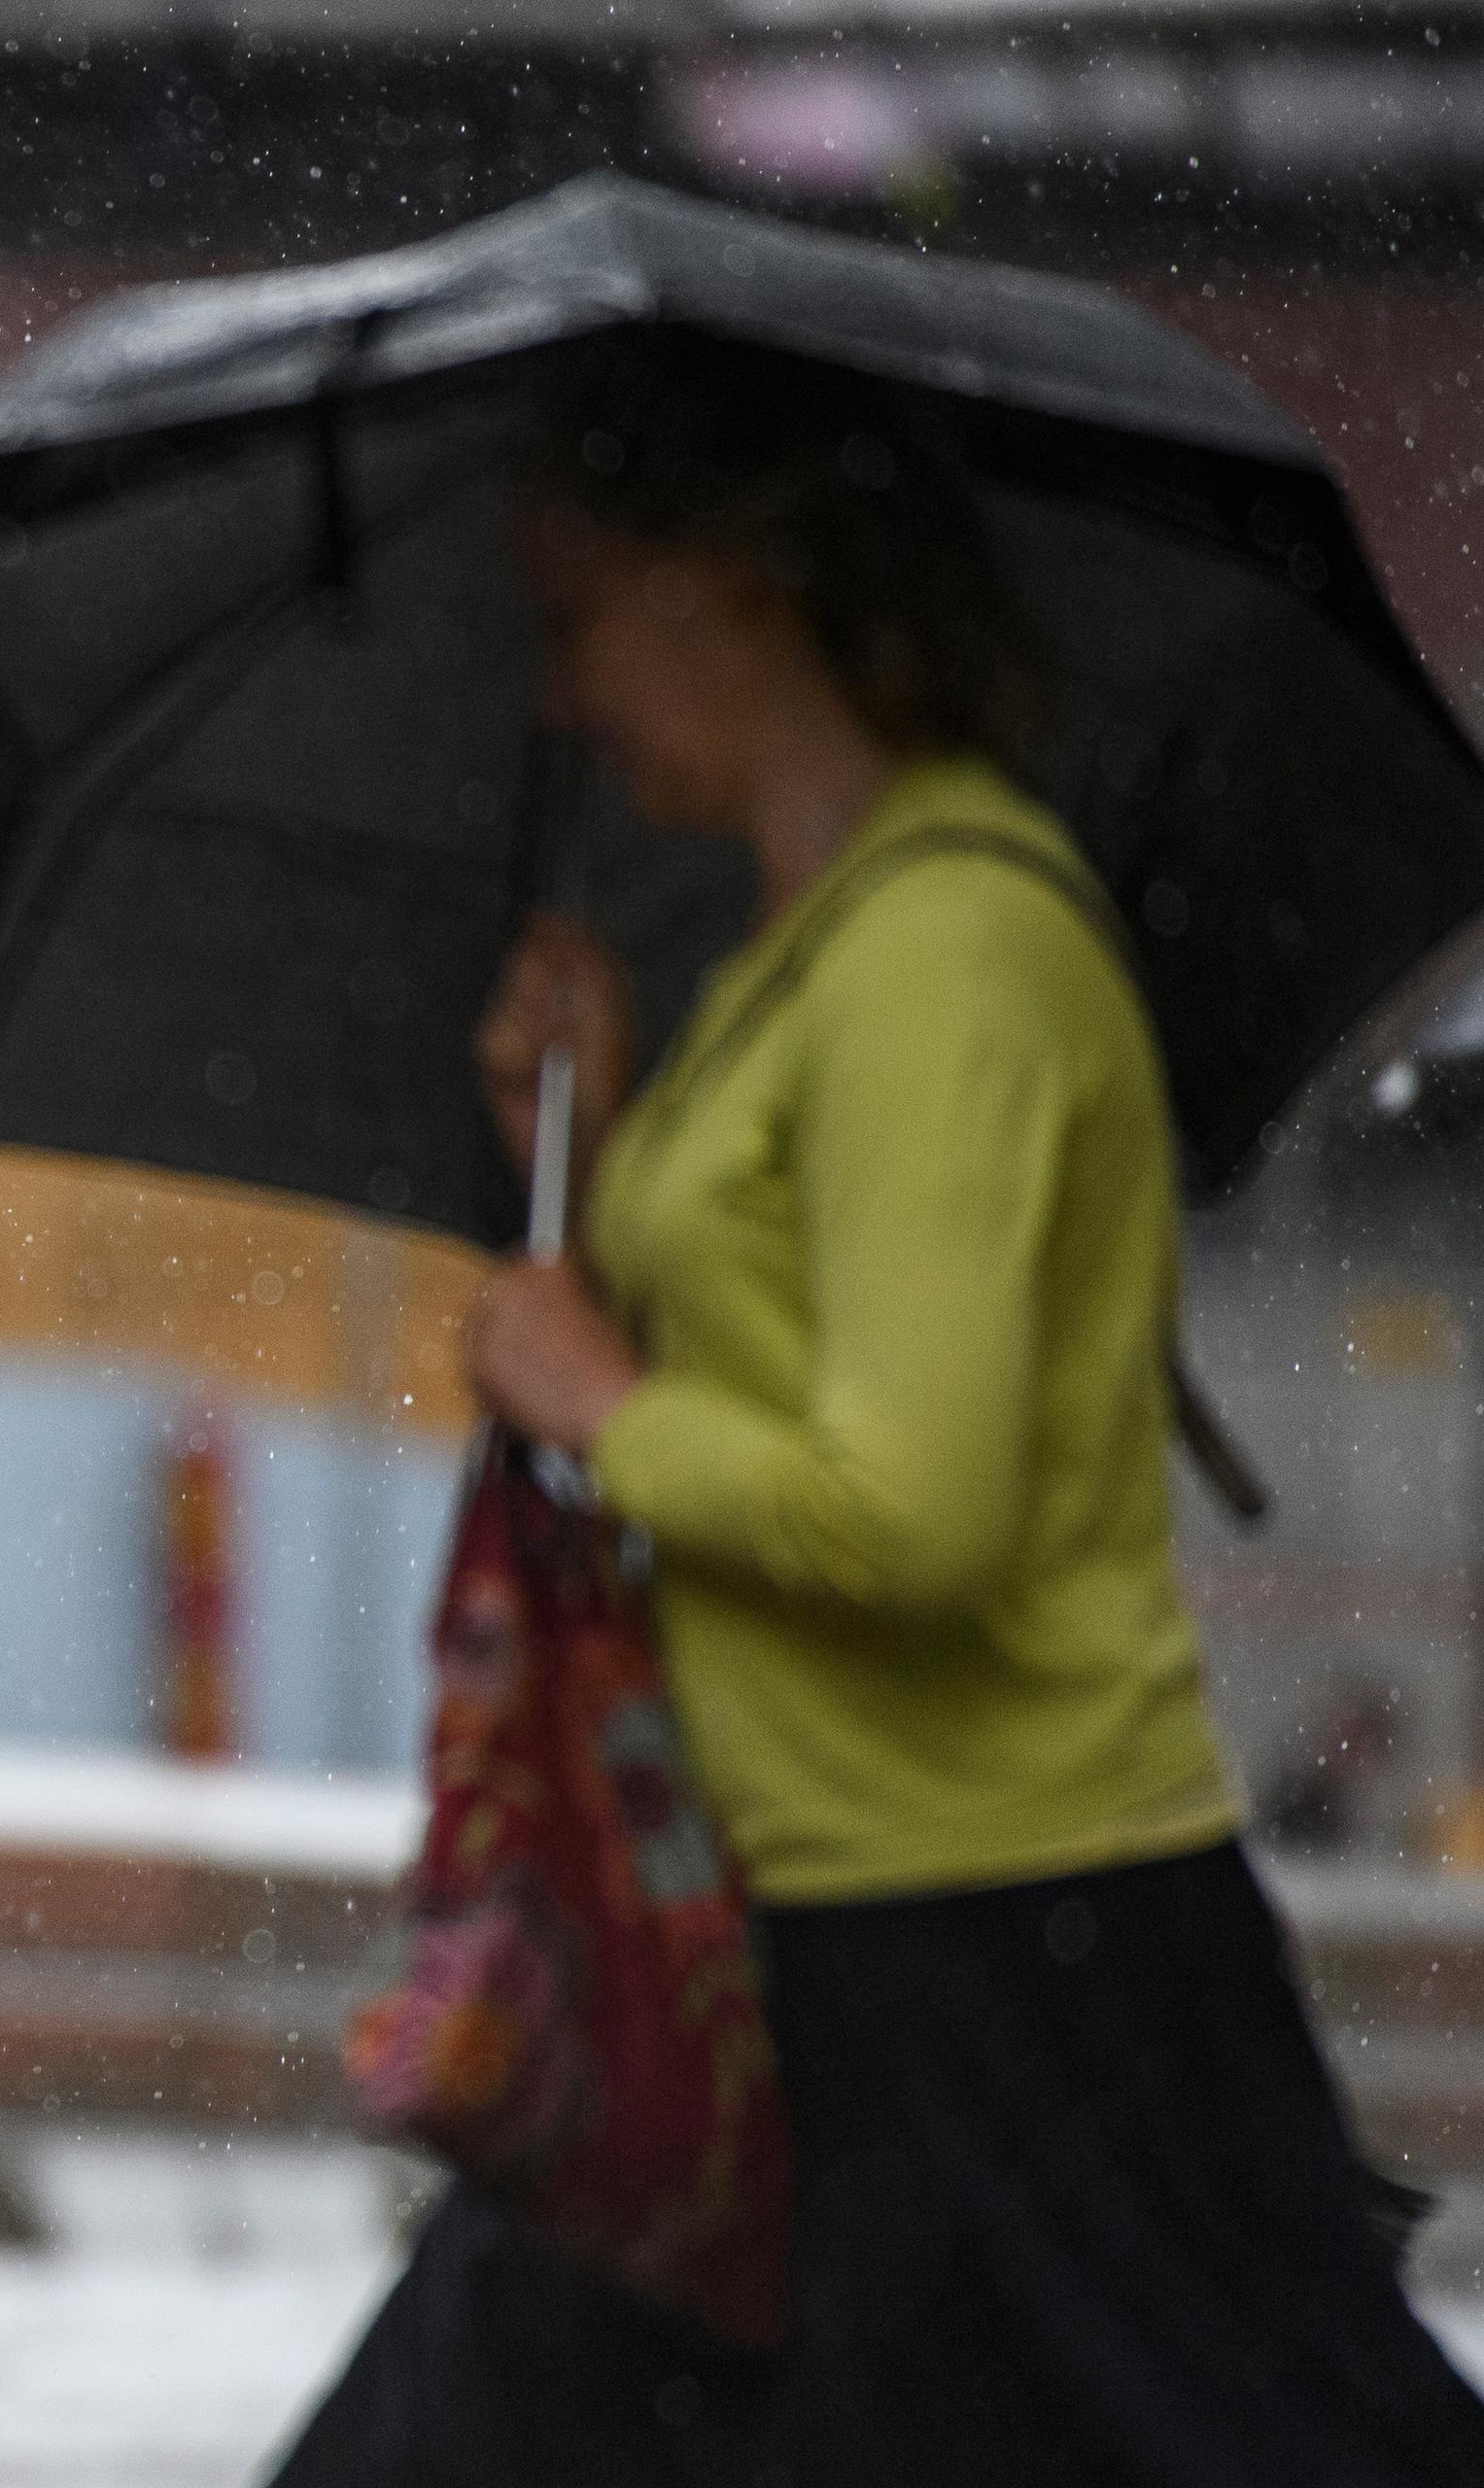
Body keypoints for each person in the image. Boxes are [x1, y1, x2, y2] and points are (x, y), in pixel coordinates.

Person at [277, 338, 1484, 2485]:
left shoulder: (949, 958)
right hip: (798, 1926)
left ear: (736, 582)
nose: (562, 694)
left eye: (580, 617)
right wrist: (597, 1123)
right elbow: (804, 1343)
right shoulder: (820, 951)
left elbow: (914, 1511)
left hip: (1002, 1946)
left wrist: (600, 1391)